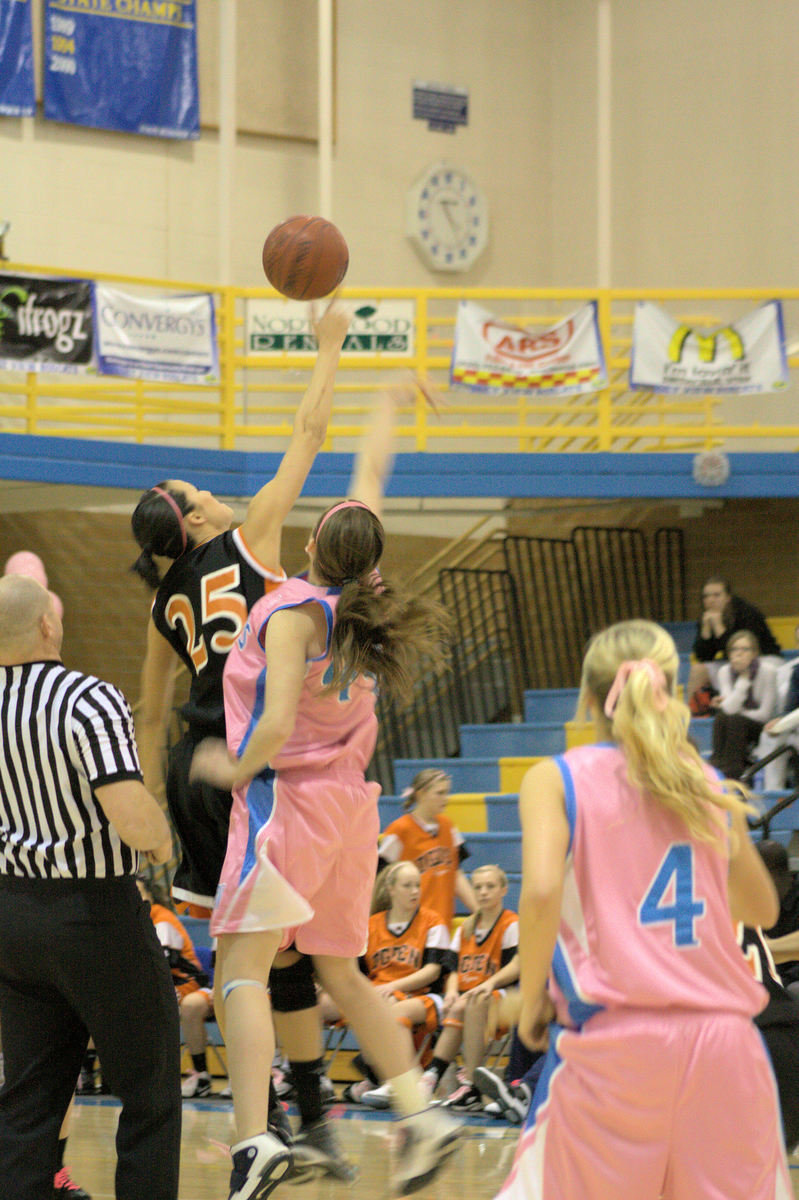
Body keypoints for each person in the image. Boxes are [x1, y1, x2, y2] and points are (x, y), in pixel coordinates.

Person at [191, 382, 463, 1200]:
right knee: (338, 968)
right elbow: (371, 475)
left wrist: (228, 770)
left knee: (238, 964)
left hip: (290, 802)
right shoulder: (367, 599)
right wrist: (389, 402)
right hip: (352, 806)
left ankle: (252, 1142)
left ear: (315, 541)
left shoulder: (294, 613)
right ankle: (422, 1116)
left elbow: (272, 724)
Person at [130, 299, 353, 1176]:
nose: (210, 490)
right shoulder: (253, 536)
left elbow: (150, 716)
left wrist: (151, 810)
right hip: (252, 764)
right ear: (193, 521)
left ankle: (294, 1115)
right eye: (196, 493)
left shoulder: (160, 605)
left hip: (190, 767)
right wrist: (328, 350)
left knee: (251, 950)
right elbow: (310, 428)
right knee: (268, 954)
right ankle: (289, 1124)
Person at [494, 618, 789, 1200]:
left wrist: (532, 998)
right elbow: (762, 909)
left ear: (586, 696)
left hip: (617, 1046)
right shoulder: (705, 784)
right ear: (672, 690)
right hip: (726, 1046)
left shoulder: (555, 779)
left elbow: (542, 891)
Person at [0, 575, 181, 1200]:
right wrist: (164, 841)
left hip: (11, 918)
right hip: (94, 914)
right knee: (151, 1087)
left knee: (26, 1100)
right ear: (48, 627)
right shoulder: (86, 698)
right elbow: (131, 816)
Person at [394, 864, 519, 1114]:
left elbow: (516, 966)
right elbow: (452, 970)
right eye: (478, 887)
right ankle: (432, 1078)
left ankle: (467, 1080)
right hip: (466, 997)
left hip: (503, 996)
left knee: (468, 1003)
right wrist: (451, 991)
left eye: (490, 886)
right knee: (459, 1004)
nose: (483, 892)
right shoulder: (465, 928)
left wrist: (488, 983)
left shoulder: (511, 923)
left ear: (504, 889)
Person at [337, 860, 455, 1105]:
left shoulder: (433, 922)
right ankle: (299, 1074)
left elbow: (433, 972)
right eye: (407, 885)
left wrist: (391, 987)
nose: (414, 891)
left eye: (417, 885)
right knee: (321, 1003)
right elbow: (355, 971)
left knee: (389, 1008)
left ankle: (401, 1080)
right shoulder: (371, 924)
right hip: (379, 994)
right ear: (391, 889)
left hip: (424, 997)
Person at [136, 876, 217, 1100]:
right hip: (161, 985)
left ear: (149, 896)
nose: (134, 897)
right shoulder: (126, 922)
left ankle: (200, 1075)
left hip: (187, 984)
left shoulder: (160, 917)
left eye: (139, 892)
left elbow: (160, 966)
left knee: (153, 1003)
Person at [379, 769, 477, 929]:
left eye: (447, 792)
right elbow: (380, 881)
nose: (445, 798)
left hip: (442, 923)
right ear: (421, 794)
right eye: (440, 793)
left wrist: (479, 911)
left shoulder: (448, 826)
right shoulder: (399, 830)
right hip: (410, 927)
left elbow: (456, 875)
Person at [687, 576, 781, 706]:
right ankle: (690, 715)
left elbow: (744, 649)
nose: (710, 600)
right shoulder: (707, 617)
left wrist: (719, 627)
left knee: (742, 664)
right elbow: (703, 657)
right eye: (706, 596)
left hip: (763, 659)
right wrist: (706, 631)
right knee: (698, 670)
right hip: (733, 663)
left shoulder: (747, 612)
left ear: (728, 597)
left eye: (716, 595)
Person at [709, 630, 777, 780]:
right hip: (736, 725)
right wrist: (743, 680)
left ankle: (732, 774)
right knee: (722, 718)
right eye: (734, 649)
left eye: (745, 649)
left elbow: (764, 714)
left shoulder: (768, 672)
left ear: (754, 653)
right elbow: (728, 709)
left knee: (733, 719)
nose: (739, 654)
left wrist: (746, 677)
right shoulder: (725, 671)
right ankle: (716, 769)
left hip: (762, 727)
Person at [757, 839, 799, 995]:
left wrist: (780, 981)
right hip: (770, 981)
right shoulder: (752, 904)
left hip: (790, 982)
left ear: (773, 875)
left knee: (795, 991)